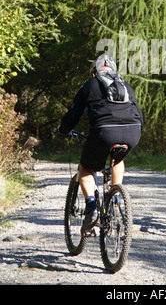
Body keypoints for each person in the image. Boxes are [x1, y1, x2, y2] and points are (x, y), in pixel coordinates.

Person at [56, 54, 143, 234]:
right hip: (133, 131)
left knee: (86, 169)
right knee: (117, 158)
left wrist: (62, 129)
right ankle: (116, 195)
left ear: (94, 72)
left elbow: (74, 113)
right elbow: (139, 115)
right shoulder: (125, 84)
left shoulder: (89, 84)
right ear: (113, 71)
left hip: (105, 132)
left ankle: (92, 208)